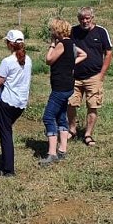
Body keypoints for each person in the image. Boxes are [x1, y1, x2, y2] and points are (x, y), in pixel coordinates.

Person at [40, 19, 87, 166]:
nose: (51, 32)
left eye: (52, 30)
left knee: (48, 117)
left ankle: (52, 153)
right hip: (68, 85)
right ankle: (63, 149)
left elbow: (48, 60)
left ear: (57, 31)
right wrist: (71, 63)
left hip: (60, 87)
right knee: (61, 116)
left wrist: (52, 44)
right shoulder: (72, 44)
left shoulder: (61, 44)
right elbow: (83, 54)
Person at [68, 7, 113, 146]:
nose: (85, 21)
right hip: (74, 76)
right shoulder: (72, 32)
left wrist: (102, 74)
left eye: (87, 18)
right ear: (78, 19)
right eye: (82, 19)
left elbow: (109, 52)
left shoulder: (101, 31)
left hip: (94, 76)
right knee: (70, 104)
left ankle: (88, 134)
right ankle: (72, 129)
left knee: (92, 106)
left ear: (92, 18)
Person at [0, 29, 32, 177]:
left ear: (10, 44)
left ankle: (8, 169)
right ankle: (7, 164)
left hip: (8, 102)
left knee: (5, 133)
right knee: (7, 130)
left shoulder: (7, 62)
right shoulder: (28, 60)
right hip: (21, 103)